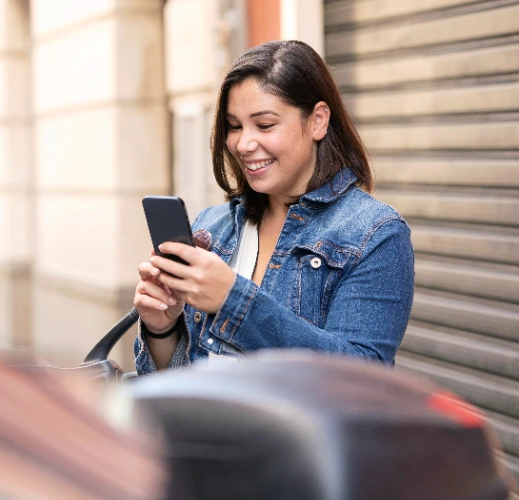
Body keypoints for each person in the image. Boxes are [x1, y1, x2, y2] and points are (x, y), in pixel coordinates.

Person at [133, 40, 414, 374]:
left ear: (318, 121)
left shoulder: (375, 234)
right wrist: (162, 329)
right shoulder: (212, 227)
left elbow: (360, 380)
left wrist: (232, 300)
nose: (243, 144)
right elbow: (181, 382)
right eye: (234, 126)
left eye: (264, 125)